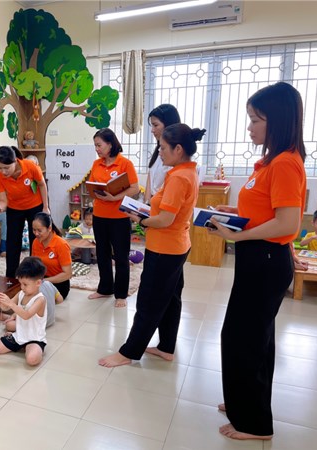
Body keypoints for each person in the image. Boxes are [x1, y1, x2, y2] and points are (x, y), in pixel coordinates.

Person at [208, 82, 307, 440]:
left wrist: (236, 236)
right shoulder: (269, 162)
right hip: (259, 258)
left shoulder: (285, 163)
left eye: (255, 120)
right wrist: (233, 212)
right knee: (252, 336)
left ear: (276, 120)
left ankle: (254, 423)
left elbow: (288, 223)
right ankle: (244, 399)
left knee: (243, 337)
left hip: (265, 260)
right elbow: (267, 210)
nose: (249, 127)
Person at [99, 124, 204, 368]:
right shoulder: (188, 172)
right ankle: (166, 346)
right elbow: (169, 213)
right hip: (177, 244)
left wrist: (140, 219)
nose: (160, 152)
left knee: (149, 301)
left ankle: (129, 352)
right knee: (171, 298)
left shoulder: (179, 177)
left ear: (178, 149)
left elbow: (165, 219)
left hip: (165, 248)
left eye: (163, 148)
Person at [87, 128, 140, 307]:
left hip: (119, 216)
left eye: (99, 145)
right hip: (99, 215)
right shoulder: (96, 164)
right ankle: (105, 288)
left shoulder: (125, 164)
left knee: (121, 255)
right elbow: (93, 185)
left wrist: (115, 197)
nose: (97, 149)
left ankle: (121, 294)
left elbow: (134, 188)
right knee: (102, 253)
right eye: (95, 146)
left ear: (110, 144)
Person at [0, 146, 50, 278]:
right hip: (14, 208)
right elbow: (2, 200)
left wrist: (45, 207)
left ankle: (34, 274)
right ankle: (11, 278)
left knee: (35, 241)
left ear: (15, 161)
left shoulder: (30, 166)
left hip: (34, 206)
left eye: (6, 168)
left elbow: (42, 185)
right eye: (0, 168)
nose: (3, 171)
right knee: (12, 243)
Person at [0, 257, 48, 366]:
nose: (22, 287)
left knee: (31, 360)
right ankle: (20, 343)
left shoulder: (40, 299)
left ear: (38, 283)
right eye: (20, 283)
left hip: (35, 339)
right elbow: (6, 308)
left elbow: (26, 315)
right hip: (19, 335)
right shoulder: (21, 293)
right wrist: (1, 303)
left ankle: (33, 349)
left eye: (25, 284)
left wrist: (10, 303)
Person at [144, 104, 181, 204]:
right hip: (152, 205)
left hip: (164, 205)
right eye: (152, 125)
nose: (152, 130)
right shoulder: (159, 150)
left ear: (168, 125)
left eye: (155, 125)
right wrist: (146, 204)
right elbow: (150, 178)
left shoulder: (177, 154)